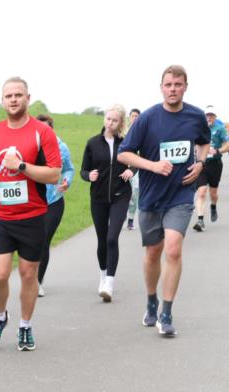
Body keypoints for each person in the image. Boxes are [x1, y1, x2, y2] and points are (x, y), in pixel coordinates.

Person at [117, 64, 210, 336]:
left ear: (185, 87)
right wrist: (153, 165)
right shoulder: (147, 118)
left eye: (178, 84)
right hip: (150, 196)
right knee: (152, 252)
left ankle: (166, 313)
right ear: (161, 88)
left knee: (173, 249)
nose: (173, 89)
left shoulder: (195, 117)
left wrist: (201, 163)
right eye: (168, 85)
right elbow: (124, 154)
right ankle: (151, 301)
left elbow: (203, 142)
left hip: (181, 194)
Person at [0, 77, 62, 351]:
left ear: (28, 98)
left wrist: (22, 166)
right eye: (8, 96)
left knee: (27, 274)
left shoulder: (41, 133)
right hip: (1, 217)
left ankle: (25, 325)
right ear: (2, 101)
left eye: (18, 95)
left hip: (33, 215)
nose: (13, 100)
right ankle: (0, 317)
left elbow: (53, 174)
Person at [81, 105, 133, 302]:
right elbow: (84, 170)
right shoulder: (92, 143)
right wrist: (89, 176)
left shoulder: (126, 143)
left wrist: (132, 170)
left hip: (121, 195)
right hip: (99, 198)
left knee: (112, 238)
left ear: (120, 123)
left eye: (115, 120)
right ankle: (103, 274)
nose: (110, 122)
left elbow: (136, 161)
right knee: (102, 240)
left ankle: (109, 282)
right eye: (108, 119)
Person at [34, 113, 74, 296]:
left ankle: (38, 282)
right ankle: (30, 277)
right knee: (33, 242)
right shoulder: (29, 147)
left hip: (54, 200)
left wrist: (66, 181)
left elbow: (68, 169)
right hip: (33, 201)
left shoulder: (61, 147)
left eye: (46, 129)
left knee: (43, 240)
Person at [193, 105, 229, 231]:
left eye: (211, 115)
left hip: (215, 164)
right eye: (207, 115)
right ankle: (200, 220)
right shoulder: (198, 129)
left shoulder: (220, 129)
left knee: (213, 193)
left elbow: (228, 145)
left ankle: (213, 206)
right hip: (201, 164)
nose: (209, 117)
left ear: (215, 117)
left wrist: (218, 151)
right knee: (201, 191)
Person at [126, 108, 142, 230]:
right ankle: (118, 215)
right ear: (129, 117)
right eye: (133, 116)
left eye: (137, 116)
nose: (135, 118)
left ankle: (130, 219)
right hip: (123, 166)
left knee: (134, 193)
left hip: (136, 167)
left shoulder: (142, 132)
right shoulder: (123, 132)